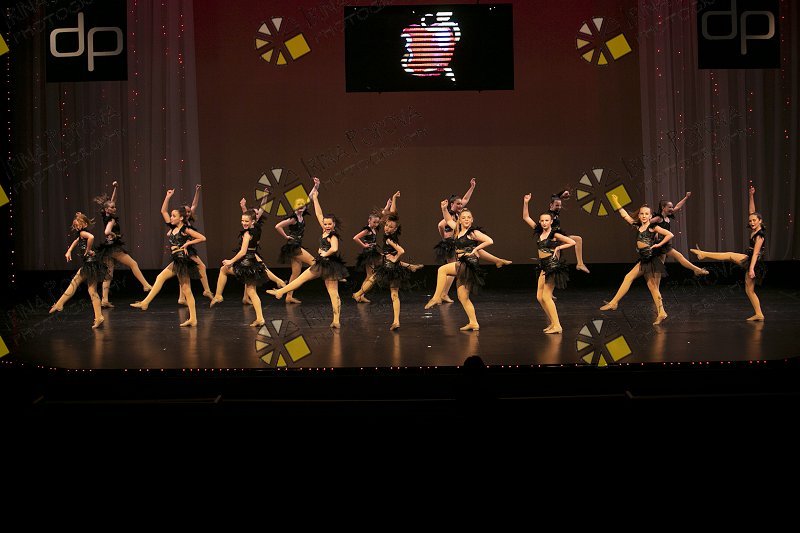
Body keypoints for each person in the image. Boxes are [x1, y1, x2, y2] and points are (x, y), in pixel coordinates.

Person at [690, 186, 765, 321]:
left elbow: (755, 254)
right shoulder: (755, 228)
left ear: (760, 221)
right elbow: (752, 211)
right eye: (750, 220)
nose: (752, 222)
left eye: (754, 220)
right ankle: (759, 314)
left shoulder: (759, 236)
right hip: (751, 259)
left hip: (754, 261)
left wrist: (752, 268)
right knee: (749, 290)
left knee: (730, 255)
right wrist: (751, 196)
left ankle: (703, 254)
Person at [600, 195, 672, 325]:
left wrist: (659, 245)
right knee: (648, 285)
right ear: (639, 215)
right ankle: (661, 312)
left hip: (650, 260)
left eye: (646, 214)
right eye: (642, 214)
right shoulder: (638, 226)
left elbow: (669, 234)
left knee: (639, 281)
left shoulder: (652, 227)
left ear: (650, 216)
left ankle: (614, 302)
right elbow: (625, 216)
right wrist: (616, 202)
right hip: (644, 259)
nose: (644, 216)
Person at [522, 194, 575, 334]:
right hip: (543, 266)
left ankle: (558, 325)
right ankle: (553, 323)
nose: (544, 223)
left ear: (551, 221)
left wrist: (558, 247)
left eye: (547, 220)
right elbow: (526, 217)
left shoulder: (554, 234)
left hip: (552, 266)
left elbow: (572, 242)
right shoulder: (539, 232)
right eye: (542, 221)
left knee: (546, 296)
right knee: (539, 297)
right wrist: (526, 202)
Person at [49, 212, 108, 328]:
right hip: (91, 264)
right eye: (75, 225)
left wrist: (88, 250)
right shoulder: (80, 234)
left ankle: (60, 303)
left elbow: (91, 237)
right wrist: (69, 251)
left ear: (84, 224)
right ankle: (99, 317)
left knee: (75, 283)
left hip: (89, 264)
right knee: (91, 291)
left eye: (78, 225)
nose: (76, 227)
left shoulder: (83, 233)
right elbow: (76, 241)